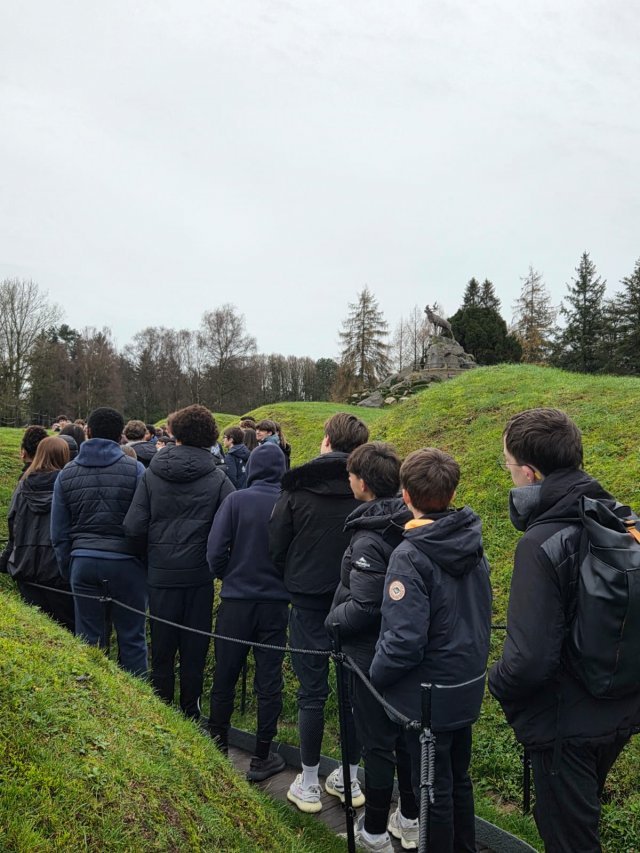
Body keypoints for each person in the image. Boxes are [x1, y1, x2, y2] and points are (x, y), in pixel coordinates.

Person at [489, 408, 640, 852]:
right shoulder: (621, 520)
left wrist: (496, 681)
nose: (509, 474)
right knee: (576, 821)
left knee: (569, 839)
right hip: (619, 706)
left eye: (508, 465)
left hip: (564, 725)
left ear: (530, 473)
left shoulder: (540, 542)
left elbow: (528, 660)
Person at [370, 448, 492, 853]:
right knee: (458, 780)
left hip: (426, 697)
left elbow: (403, 641)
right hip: (465, 684)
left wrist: (376, 676)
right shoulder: (472, 542)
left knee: (432, 790)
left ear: (405, 495)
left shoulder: (409, 556)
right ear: (452, 492)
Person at [269, 412, 369, 814]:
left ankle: (309, 781)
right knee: (354, 693)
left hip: (308, 599)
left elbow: (276, 543)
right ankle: (350, 777)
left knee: (311, 692)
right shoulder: (370, 488)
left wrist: (293, 576)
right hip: (356, 602)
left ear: (326, 440)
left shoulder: (297, 488)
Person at [326, 442, 417, 852]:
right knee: (403, 737)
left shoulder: (368, 538)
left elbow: (365, 606)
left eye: (350, 475)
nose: (348, 480)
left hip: (368, 652)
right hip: (402, 647)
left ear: (362, 483)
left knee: (378, 742)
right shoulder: (407, 520)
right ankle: (409, 819)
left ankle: (375, 833)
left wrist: (332, 621)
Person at [124, 404, 234, 720]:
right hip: (199, 575)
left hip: (160, 574)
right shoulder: (218, 478)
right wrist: (217, 564)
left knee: (161, 649)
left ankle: (162, 714)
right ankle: (190, 713)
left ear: (176, 433)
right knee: (194, 650)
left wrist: (148, 559)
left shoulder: (151, 474)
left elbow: (133, 527)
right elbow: (231, 527)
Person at [207, 443, 289, 781]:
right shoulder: (288, 503)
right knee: (269, 681)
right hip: (275, 603)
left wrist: (228, 575)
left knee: (225, 675)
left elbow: (215, 551)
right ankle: (262, 756)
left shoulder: (235, 500)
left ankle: (217, 747)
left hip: (236, 601)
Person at [51, 406, 148, 676]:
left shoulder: (67, 473)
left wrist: (69, 567)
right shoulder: (136, 470)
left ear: (88, 432)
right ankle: (138, 698)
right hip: (127, 562)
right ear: (120, 436)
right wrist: (142, 563)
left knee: (88, 640)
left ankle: (90, 693)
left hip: (83, 560)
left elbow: (58, 532)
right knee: (133, 638)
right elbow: (143, 524)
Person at [0, 436, 75, 632]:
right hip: (57, 567)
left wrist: (7, 559)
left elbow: (13, 524)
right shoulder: (68, 485)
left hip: (25, 565)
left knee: (36, 628)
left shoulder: (22, 484)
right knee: (69, 630)